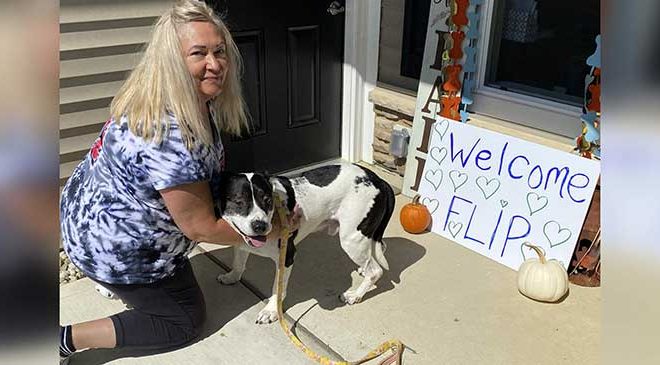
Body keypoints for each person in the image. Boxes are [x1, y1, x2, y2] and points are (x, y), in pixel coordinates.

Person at [59, 0, 284, 362]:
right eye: (199, 53)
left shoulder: (173, 95)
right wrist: (274, 231)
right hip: (114, 248)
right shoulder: (170, 135)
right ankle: (62, 339)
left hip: (90, 217)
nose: (215, 64)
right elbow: (201, 228)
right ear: (172, 60)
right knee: (184, 321)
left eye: (220, 51)